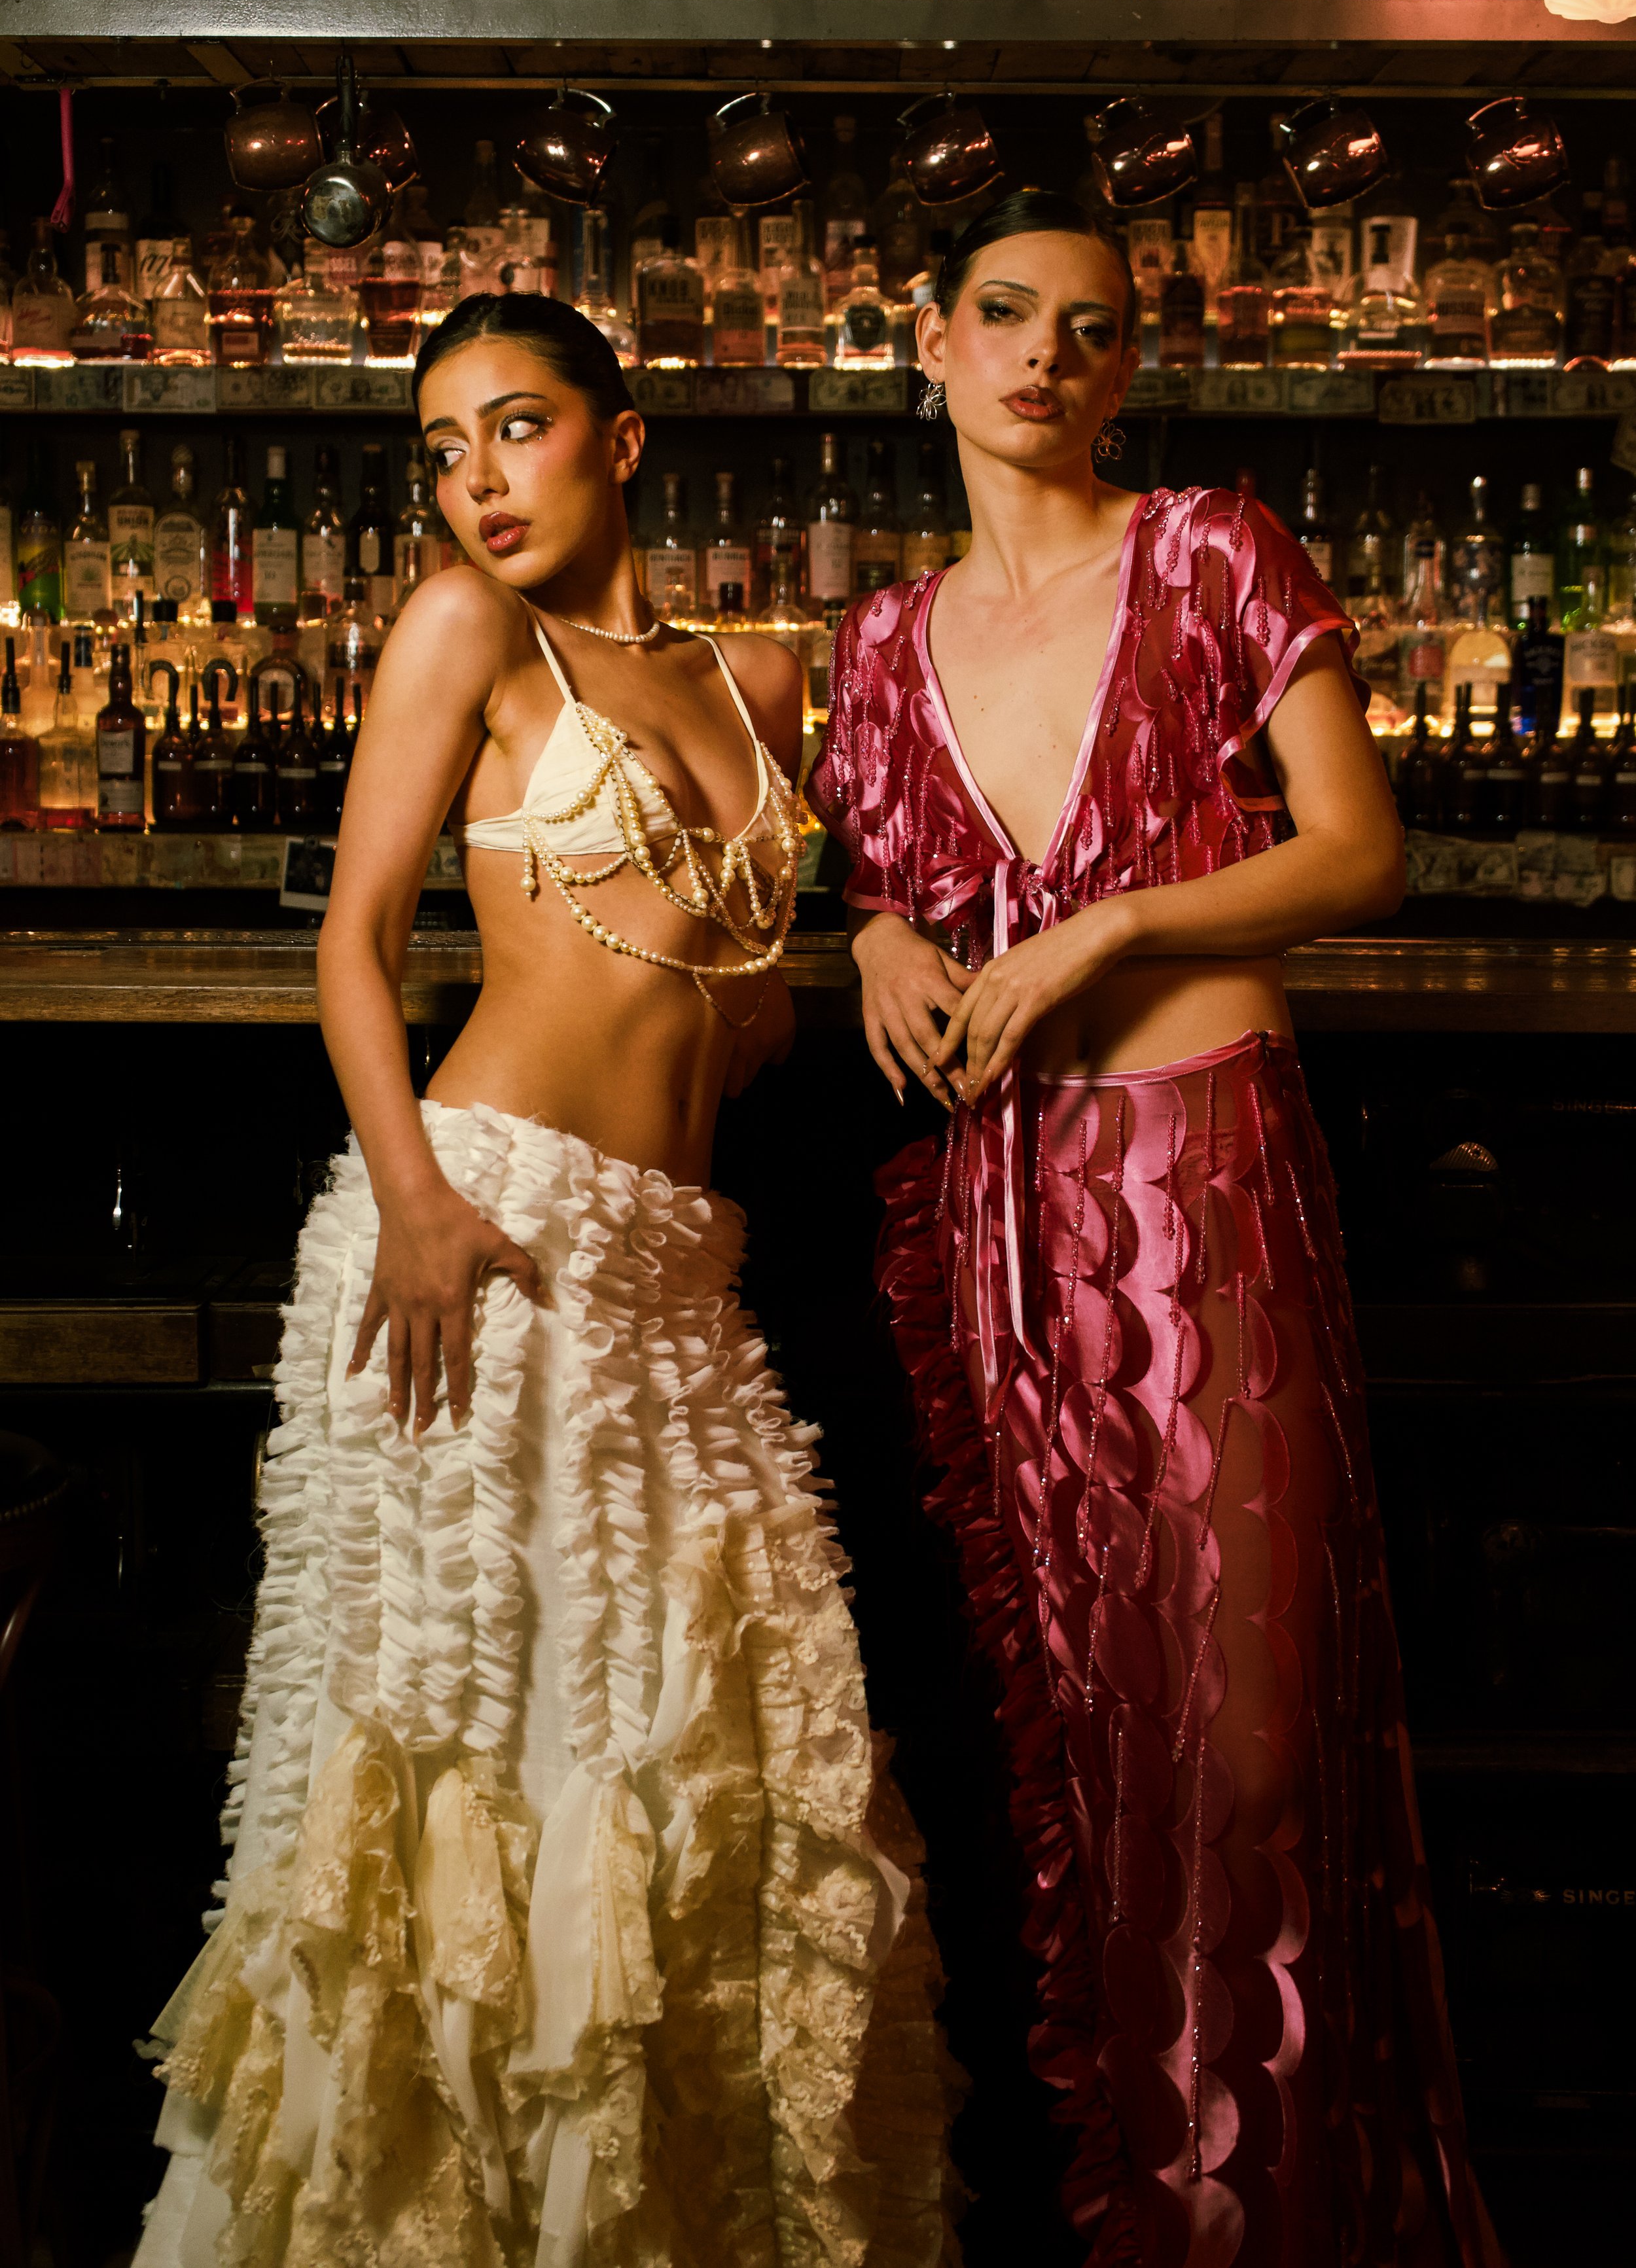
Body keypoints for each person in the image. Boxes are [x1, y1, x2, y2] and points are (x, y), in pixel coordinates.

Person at [133, 294, 959, 2267]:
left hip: (678, 1271)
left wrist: (862, 939)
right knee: (461, 1746)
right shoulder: (462, 633)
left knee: (723, 1763)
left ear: (626, 436)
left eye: (514, 429)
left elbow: (758, 945)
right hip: (479, 1231)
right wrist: (413, 1199)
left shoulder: (759, 682)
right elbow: (347, 945)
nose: (475, 481)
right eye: (441, 447)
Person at [808, 192, 1503, 2268]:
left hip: (1197, 1196)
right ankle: (1136, 2220)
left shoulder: (1208, 551)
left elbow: (1360, 853)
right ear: (920, 340)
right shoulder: (873, 642)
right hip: (997, 1221)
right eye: (1004, 316)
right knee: (1083, 1760)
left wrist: (1111, 919)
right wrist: (861, 932)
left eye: (1093, 329)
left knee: (1248, 1750)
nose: (1047, 356)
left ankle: (1266, 2223)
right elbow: (854, 870)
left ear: (1132, 364)